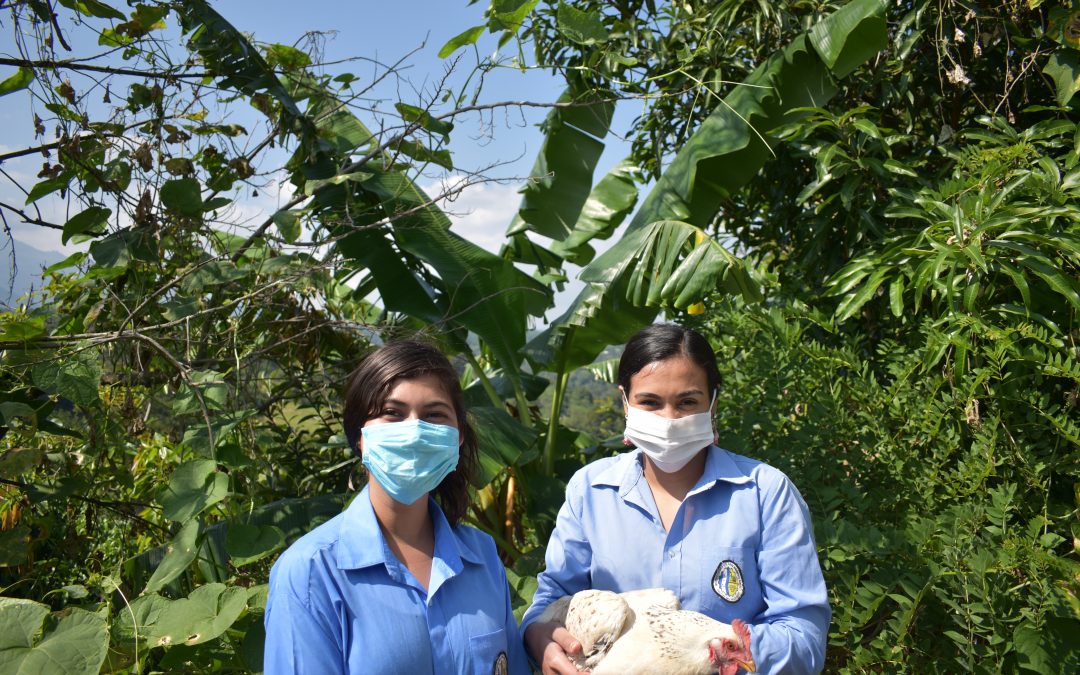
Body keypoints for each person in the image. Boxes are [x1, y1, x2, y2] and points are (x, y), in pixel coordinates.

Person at [521, 324, 830, 674]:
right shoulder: (590, 492)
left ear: (713, 403)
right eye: (650, 402)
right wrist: (541, 638)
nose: (669, 419)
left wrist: (723, 650)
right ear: (625, 402)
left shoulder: (766, 494)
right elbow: (551, 601)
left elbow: (805, 638)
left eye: (687, 402)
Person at [265, 340, 529, 675]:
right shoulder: (311, 574)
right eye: (392, 413)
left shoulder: (482, 557)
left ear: (458, 437)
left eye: (434, 415)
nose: (414, 430)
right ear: (359, 436)